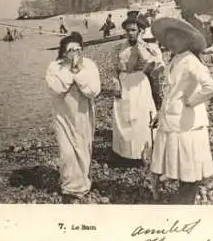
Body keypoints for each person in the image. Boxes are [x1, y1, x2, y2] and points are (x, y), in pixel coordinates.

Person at [150, 17, 213, 204]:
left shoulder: (190, 61)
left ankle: (186, 197)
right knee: (179, 159)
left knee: (188, 160)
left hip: (187, 121)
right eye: (168, 39)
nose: (170, 43)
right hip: (174, 118)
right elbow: (171, 92)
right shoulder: (175, 60)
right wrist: (159, 114)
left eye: (175, 39)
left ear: (187, 40)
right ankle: (183, 194)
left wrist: (192, 101)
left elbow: (209, 86)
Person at [45, 32, 101, 203]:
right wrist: (71, 72)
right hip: (63, 116)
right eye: (71, 50)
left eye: (78, 49)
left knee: (83, 148)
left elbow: (93, 90)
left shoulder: (89, 65)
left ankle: (83, 183)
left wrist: (79, 72)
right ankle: (70, 187)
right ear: (63, 52)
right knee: (67, 152)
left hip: (83, 115)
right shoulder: (55, 67)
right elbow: (56, 88)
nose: (75, 53)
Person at [111, 13, 163, 164]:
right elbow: (114, 68)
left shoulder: (148, 47)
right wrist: (116, 83)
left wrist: (140, 44)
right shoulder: (119, 48)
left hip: (139, 82)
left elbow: (150, 63)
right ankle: (124, 152)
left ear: (140, 31)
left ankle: (142, 152)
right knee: (123, 116)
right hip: (123, 81)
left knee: (140, 116)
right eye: (127, 30)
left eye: (133, 30)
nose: (129, 33)